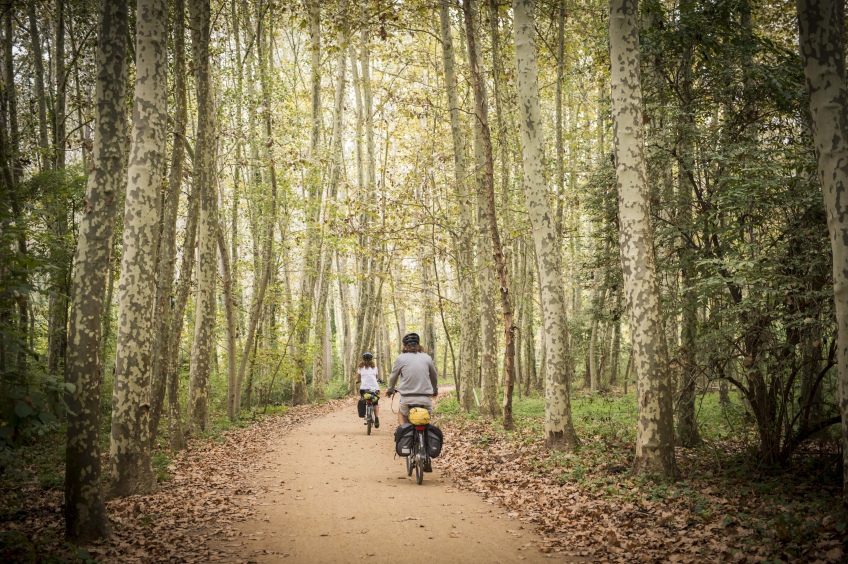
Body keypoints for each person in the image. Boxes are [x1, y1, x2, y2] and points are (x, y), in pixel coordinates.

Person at [386, 333, 438, 426]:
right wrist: (435, 391)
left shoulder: (400, 358)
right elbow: (434, 377)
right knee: (425, 419)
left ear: (404, 345)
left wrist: (390, 390)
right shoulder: (427, 358)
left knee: (401, 413)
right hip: (425, 399)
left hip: (407, 399)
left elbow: (393, 377)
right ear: (418, 344)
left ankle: (403, 434)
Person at [357, 352, 381, 428]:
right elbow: (376, 378)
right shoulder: (375, 368)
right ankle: (376, 417)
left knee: (363, 400)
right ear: (371, 359)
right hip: (374, 388)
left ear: (363, 359)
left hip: (364, 388)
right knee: (375, 403)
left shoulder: (360, 368)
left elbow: (358, 378)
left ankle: (363, 413)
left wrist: (357, 381)